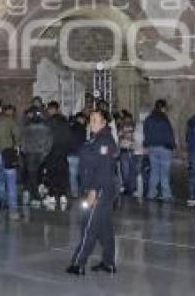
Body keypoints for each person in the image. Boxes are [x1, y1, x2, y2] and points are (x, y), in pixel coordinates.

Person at [66, 109, 118, 275]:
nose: (92, 123)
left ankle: (78, 264)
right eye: (91, 119)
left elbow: (104, 169)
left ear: (104, 122)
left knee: (88, 227)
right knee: (104, 229)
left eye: (96, 120)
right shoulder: (95, 139)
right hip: (99, 188)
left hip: (100, 189)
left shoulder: (104, 141)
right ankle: (108, 263)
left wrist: (94, 190)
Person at [143, 99, 175, 201]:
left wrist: (147, 144)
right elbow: (169, 134)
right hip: (165, 148)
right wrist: (172, 146)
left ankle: (151, 193)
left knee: (154, 172)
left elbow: (146, 133)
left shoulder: (148, 119)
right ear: (163, 108)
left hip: (152, 148)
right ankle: (166, 195)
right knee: (164, 173)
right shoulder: (164, 119)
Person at [20, 106, 52, 206]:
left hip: (30, 152)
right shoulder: (45, 127)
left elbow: (22, 141)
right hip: (41, 153)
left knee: (31, 174)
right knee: (38, 173)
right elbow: (49, 141)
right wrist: (46, 152)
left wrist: (23, 150)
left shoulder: (26, 127)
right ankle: (35, 193)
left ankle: (33, 194)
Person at [43, 101, 72, 210]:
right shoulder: (65, 121)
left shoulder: (48, 122)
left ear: (51, 109)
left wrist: (45, 152)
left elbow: (46, 138)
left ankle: (51, 196)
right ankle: (63, 195)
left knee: (52, 175)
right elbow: (69, 137)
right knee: (62, 174)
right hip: (63, 152)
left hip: (52, 152)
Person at [117, 113, 138, 197]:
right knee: (131, 170)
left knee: (126, 171)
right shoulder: (134, 126)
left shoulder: (122, 126)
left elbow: (119, 137)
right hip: (130, 150)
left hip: (126, 150)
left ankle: (129, 188)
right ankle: (132, 188)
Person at [67, 113, 87, 198]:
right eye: (84, 119)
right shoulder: (83, 129)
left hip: (71, 153)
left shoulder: (70, 128)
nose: (85, 121)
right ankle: (83, 191)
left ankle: (74, 192)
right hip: (80, 154)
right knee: (82, 174)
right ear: (80, 119)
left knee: (73, 175)